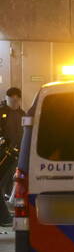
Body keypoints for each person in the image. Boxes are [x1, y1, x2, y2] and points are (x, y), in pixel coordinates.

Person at [0, 88, 24, 226]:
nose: (13, 103)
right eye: (11, 100)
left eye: (16, 100)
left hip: (17, 156)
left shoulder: (23, 114)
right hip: (4, 155)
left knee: (12, 184)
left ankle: (7, 215)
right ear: (6, 98)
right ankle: (5, 217)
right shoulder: (1, 112)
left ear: (19, 99)